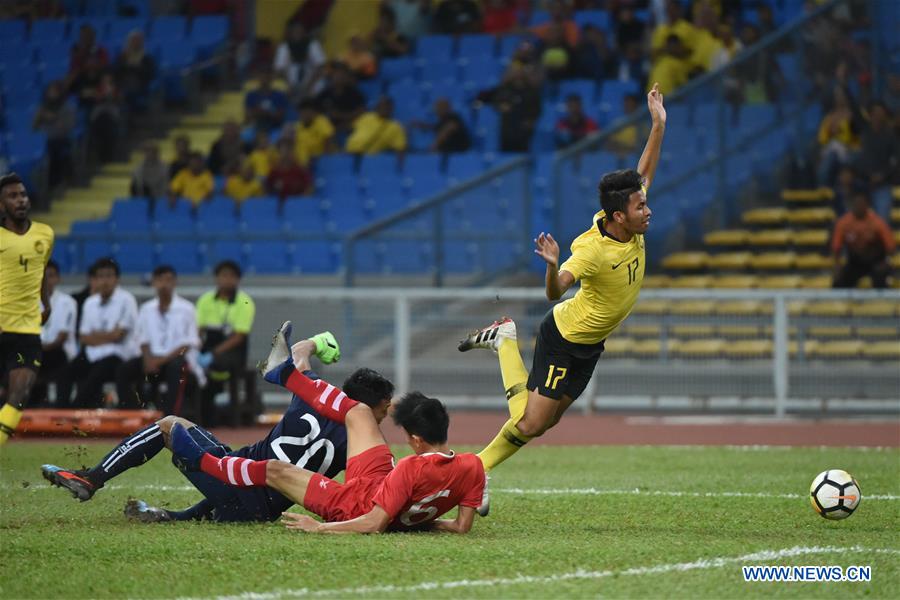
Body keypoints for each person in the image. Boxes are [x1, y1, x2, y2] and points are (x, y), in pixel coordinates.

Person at [460, 83, 666, 472]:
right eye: (641, 206)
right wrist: (554, 266)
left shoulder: (627, 218)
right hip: (564, 338)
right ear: (619, 216)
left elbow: (645, 171)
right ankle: (473, 472)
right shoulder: (591, 250)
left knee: (546, 420)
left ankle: (503, 339)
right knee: (532, 422)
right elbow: (556, 292)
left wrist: (658, 124)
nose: (648, 210)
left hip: (591, 342)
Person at [41, 332, 395, 525]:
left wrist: (320, 343)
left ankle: (93, 479)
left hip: (242, 482)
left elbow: (297, 353)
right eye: (383, 408)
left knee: (168, 425)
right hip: (266, 509)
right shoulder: (362, 444)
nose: (384, 415)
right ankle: (169, 516)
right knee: (231, 477)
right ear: (368, 404)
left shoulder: (313, 392)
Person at [172, 321, 485, 534]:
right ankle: (283, 372)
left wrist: (319, 527)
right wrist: (416, 521)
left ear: (416, 440)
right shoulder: (472, 467)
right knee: (360, 412)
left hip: (354, 503)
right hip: (381, 484)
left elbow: (374, 522)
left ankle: (203, 461)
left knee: (275, 469)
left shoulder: (412, 467)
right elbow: (461, 527)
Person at [0, 173, 54, 444]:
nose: (20, 200)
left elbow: (41, 269)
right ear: (1, 205)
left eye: (23, 194)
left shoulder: (45, 234)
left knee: (18, 396)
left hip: (27, 329)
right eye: (12, 196)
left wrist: (47, 302)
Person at [115, 265, 202, 413]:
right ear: (154, 283)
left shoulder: (187, 309)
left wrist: (160, 361)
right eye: (160, 280)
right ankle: (132, 414)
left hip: (176, 360)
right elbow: (141, 339)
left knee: (176, 367)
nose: (164, 284)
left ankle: (169, 416)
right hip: (152, 359)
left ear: (175, 282)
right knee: (123, 370)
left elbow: (188, 344)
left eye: (168, 280)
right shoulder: (146, 309)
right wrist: (148, 359)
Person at [194, 260, 256, 427]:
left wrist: (212, 355)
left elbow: (239, 337)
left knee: (216, 365)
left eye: (232, 276)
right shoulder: (205, 300)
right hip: (208, 347)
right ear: (216, 278)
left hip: (234, 352)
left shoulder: (245, 302)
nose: (227, 279)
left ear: (238, 280)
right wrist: (197, 350)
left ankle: (225, 417)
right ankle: (200, 416)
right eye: (223, 275)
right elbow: (198, 330)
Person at [73, 257, 139, 408]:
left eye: (109, 276)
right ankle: (60, 409)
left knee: (98, 372)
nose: (105, 281)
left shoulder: (127, 300)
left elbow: (118, 336)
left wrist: (96, 335)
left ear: (117, 279)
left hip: (118, 355)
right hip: (92, 354)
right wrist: (108, 335)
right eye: (101, 276)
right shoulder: (90, 302)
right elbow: (83, 338)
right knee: (67, 370)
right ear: (94, 279)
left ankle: (75, 409)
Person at [32, 260, 77, 407]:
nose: (46, 280)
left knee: (39, 358)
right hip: (40, 350)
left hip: (59, 352)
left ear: (58, 278)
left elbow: (61, 338)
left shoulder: (67, 302)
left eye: (50, 276)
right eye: (43, 276)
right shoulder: (32, 301)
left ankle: (60, 407)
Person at [831, 190, 895, 289]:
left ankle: (882, 302)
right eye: (856, 204)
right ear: (852, 205)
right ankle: (838, 303)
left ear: (867, 205)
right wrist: (837, 266)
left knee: (880, 275)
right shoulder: (843, 223)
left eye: (862, 204)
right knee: (839, 280)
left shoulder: (877, 222)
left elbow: (890, 246)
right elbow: (836, 247)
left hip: (876, 261)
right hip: (855, 262)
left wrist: (886, 262)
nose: (859, 206)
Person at [32, 80, 76, 188]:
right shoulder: (42, 108)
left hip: (59, 139)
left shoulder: (66, 108)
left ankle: (54, 183)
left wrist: (53, 118)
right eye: (50, 91)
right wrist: (39, 117)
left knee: (54, 149)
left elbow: (67, 127)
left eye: (54, 91)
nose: (52, 94)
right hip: (43, 139)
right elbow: (33, 128)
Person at [273, 21, 327, 100]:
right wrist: (289, 85)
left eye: (300, 31)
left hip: (310, 79)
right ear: (291, 33)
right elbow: (279, 70)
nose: (298, 33)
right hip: (290, 81)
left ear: (304, 32)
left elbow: (321, 67)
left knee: (321, 84)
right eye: (295, 31)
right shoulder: (284, 47)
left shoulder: (313, 44)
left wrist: (309, 85)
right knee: (278, 86)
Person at [314, 63, 366, 134]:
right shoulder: (324, 93)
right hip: (328, 128)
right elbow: (314, 110)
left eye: (342, 74)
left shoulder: (354, 93)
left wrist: (342, 115)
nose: (339, 77)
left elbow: (361, 111)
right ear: (332, 77)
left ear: (346, 77)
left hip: (348, 126)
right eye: (336, 74)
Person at [114, 30, 156, 114]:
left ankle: (126, 117)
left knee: (127, 93)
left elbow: (150, 74)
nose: (135, 43)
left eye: (138, 40)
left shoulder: (146, 57)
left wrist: (135, 67)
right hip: (122, 83)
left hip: (140, 84)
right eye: (133, 40)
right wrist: (128, 65)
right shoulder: (122, 57)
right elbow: (116, 71)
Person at [244, 70, 289, 134]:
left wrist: (267, 113)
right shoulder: (251, 95)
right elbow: (247, 117)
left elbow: (281, 115)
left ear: (271, 78)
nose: (264, 79)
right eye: (262, 76)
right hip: (256, 127)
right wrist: (260, 112)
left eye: (267, 77)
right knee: (246, 136)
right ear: (258, 78)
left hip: (275, 127)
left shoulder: (279, 95)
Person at [293, 100, 336, 166]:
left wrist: (325, 162)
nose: (305, 114)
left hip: (319, 162)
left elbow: (328, 141)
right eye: (303, 112)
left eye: (308, 111)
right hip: (300, 164)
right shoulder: (296, 127)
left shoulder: (321, 122)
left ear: (314, 112)